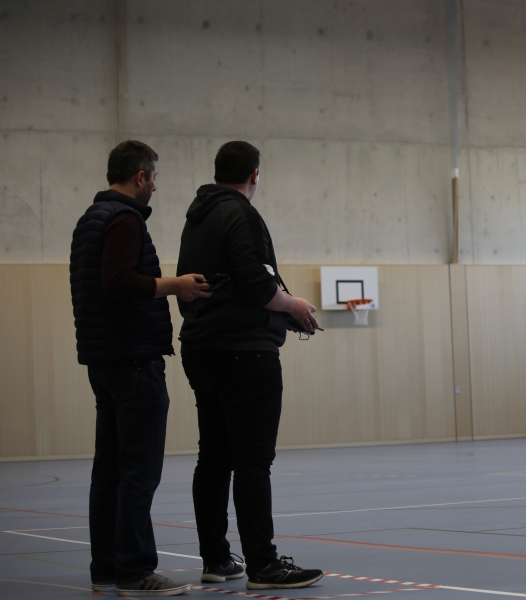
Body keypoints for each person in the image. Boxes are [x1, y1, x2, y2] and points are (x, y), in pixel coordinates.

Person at [176, 141, 323, 590]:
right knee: (253, 461)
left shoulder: (197, 217)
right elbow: (258, 283)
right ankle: (263, 565)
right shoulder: (240, 214)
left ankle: (216, 558)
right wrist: (294, 305)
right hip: (245, 352)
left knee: (214, 457)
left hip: (202, 348)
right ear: (254, 175)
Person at [70, 140, 211, 597]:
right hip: (132, 358)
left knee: (110, 470)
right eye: (154, 177)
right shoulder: (125, 218)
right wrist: (175, 285)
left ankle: (107, 568)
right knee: (138, 470)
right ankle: (135, 571)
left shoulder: (90, 219)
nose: (155, 186)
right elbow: (118, 283)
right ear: (140, 176)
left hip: (105, 359)